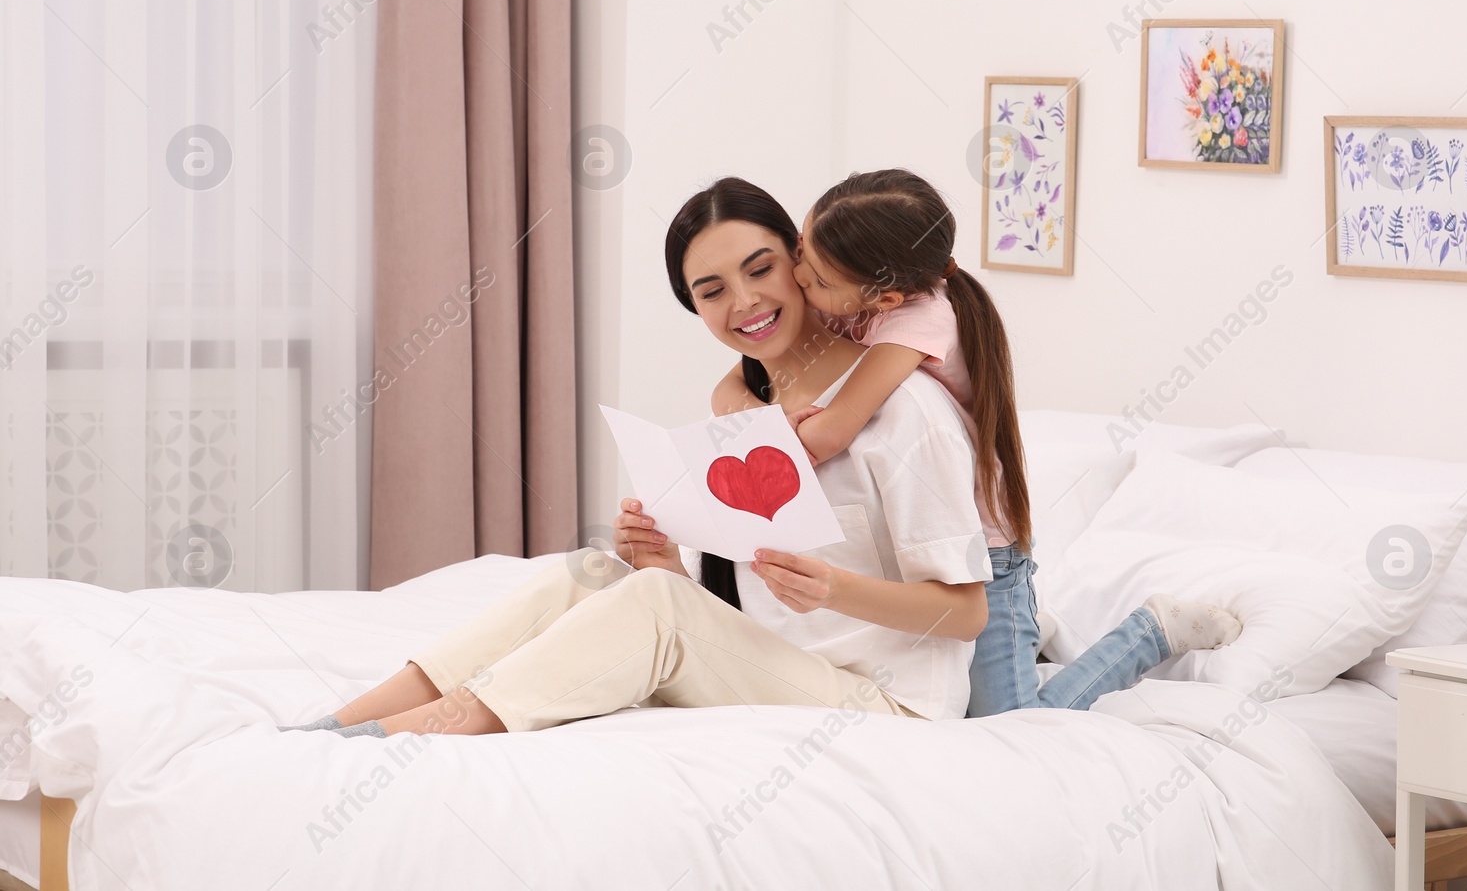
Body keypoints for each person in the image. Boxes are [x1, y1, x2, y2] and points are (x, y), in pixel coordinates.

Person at [279, 176, 996, 738]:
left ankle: (409, 737)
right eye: (711, 290)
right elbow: (740, 611)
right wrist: (661, 563)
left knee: (653, 606)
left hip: (888, 708)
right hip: (792, 670)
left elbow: (966, 613)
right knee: (595, 571)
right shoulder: (744, 412)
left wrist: (831, 588)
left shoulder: (906, 412)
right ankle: (342, 725)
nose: (744, 302)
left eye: (761, 269)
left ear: (804, 263)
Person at [711, 169, 1240, 717]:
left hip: (984, 553)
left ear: (884, 295)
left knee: (1010, 721)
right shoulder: (852, 292)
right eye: (799, 251)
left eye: (816, 278)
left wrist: (756, 438)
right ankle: (1037, 639)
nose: (798, 279)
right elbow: (732, 382)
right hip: (930, 542)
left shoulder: (916, 321)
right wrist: (748, 410)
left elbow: (830, 431)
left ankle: (1149, 632)